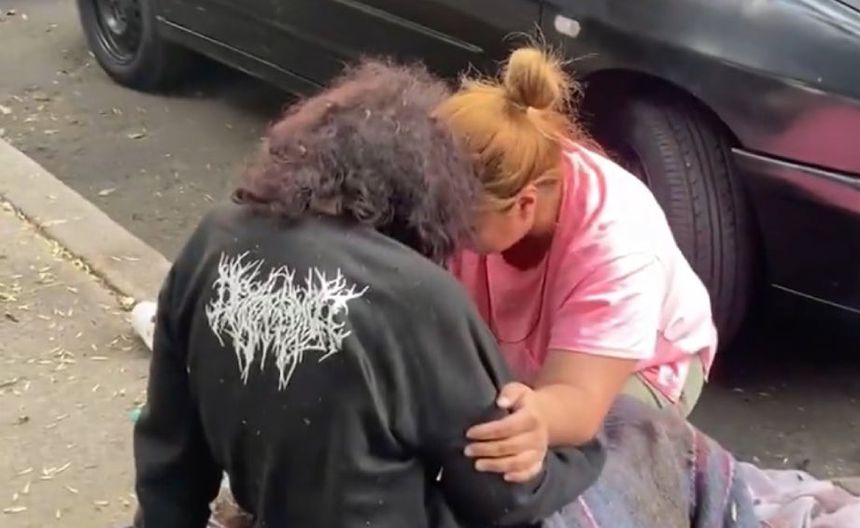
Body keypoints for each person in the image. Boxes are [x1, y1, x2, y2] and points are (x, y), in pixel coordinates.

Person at [129, 59, 605, 528]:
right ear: (430, 190)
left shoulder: (215, 240)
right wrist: (586, 453)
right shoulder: (418, 298)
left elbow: (169, 461)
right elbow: (502, 495)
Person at [434, 47, 718, 483]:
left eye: (460, 223)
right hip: (525, 351)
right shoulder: (504, 174)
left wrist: (538, 419)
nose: (441, 231)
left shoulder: (619, 243)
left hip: (637, 367)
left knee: (554, 469)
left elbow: (578, 402)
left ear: (525, 205)